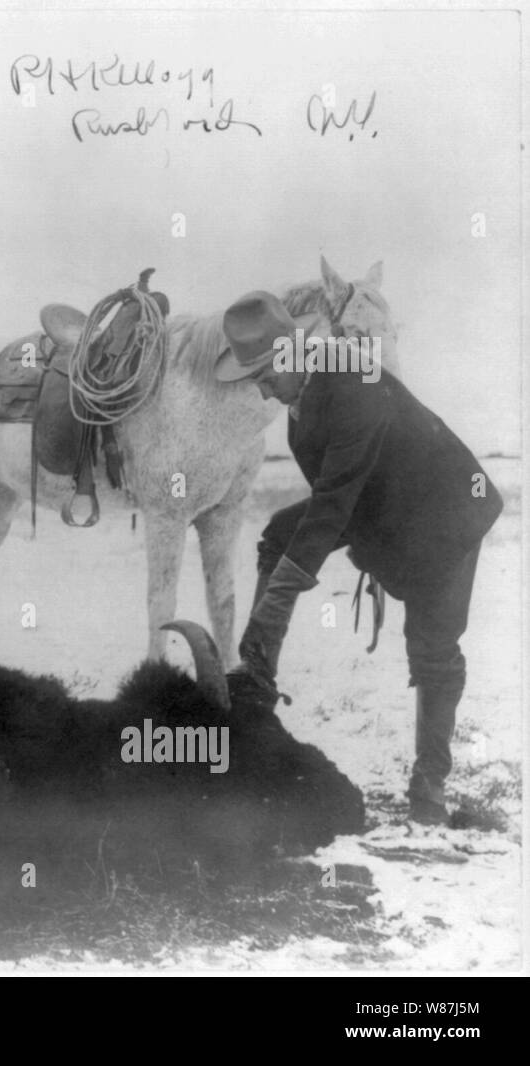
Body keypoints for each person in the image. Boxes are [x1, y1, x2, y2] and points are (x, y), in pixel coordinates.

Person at [215, 291, 502, 825]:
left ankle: (430, 781)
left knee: (432, 648)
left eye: (262, 374)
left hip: (445, 511)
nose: (259, 390)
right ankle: (256, 681)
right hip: (381, 504)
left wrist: (274, 605)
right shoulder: (301, 404)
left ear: (293, 354)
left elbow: (331, 505)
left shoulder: (352, 384)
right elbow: (333, 498)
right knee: (280, 533)